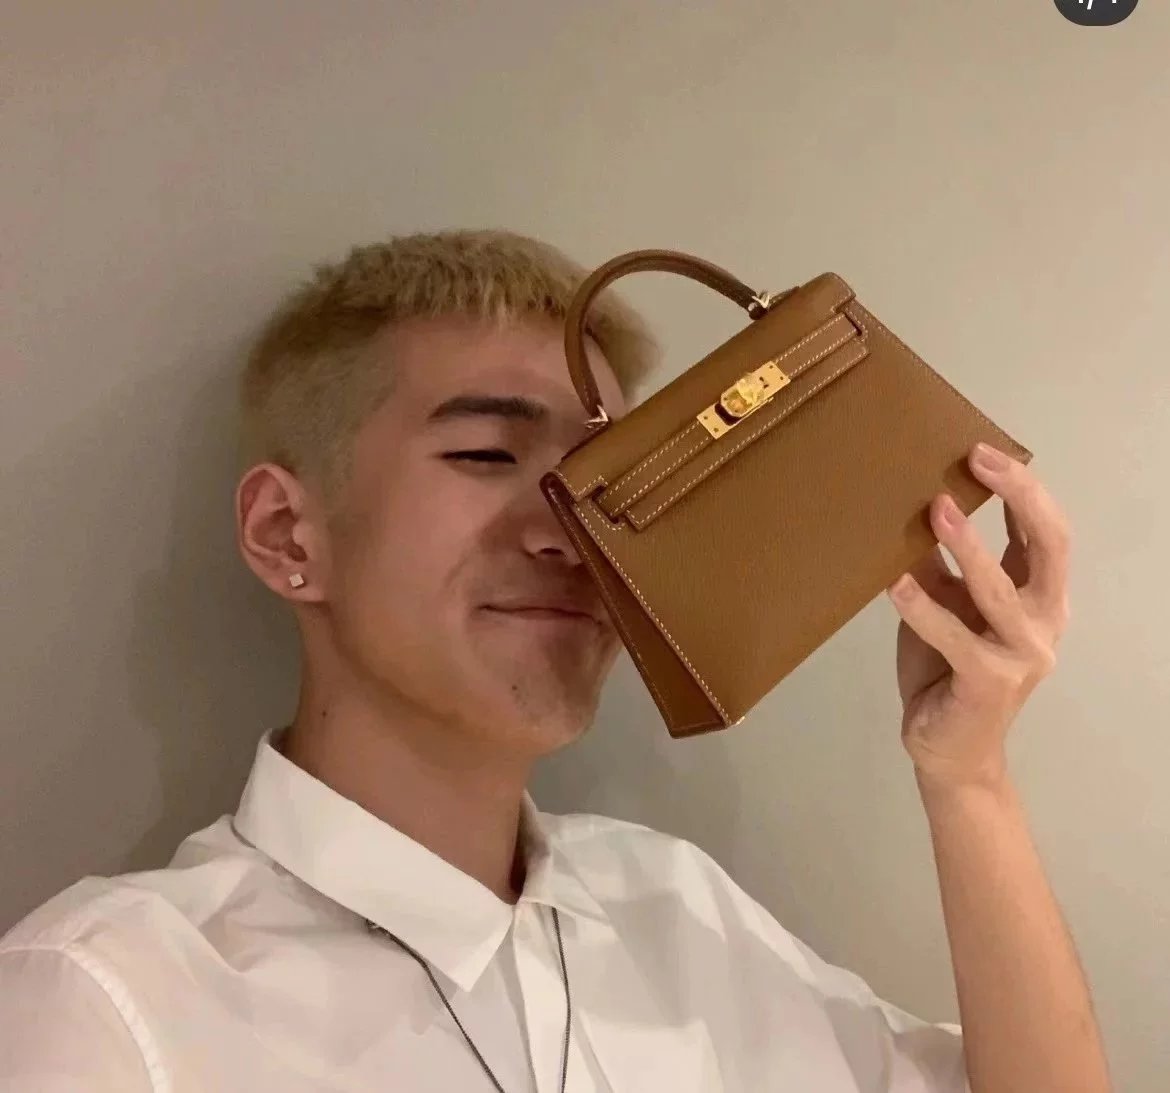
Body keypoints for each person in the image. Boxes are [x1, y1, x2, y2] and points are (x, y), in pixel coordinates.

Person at [0, 230, 1110, 1093]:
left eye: (604, 488)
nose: (569, 533)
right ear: (289, 533)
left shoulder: (677, 911)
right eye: (487, 453)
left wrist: (968, 776)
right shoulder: (112, 999)